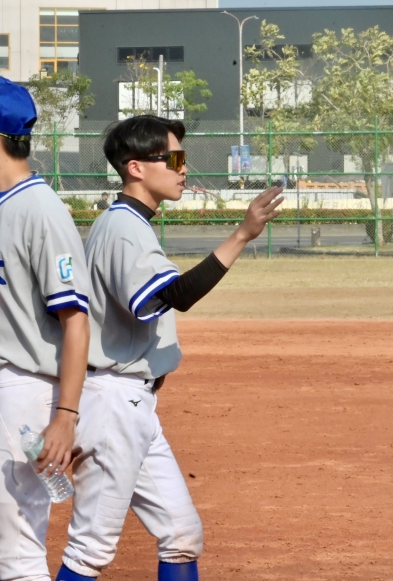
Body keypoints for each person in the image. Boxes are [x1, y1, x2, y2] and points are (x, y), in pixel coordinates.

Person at [55, 115, 283, 581]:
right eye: (173, 158)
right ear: (135, 167)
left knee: (181, 536)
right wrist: (242, 234)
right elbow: (174, 297)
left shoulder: (129, 223)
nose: (183, 169)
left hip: (133, 404)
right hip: (113, 402)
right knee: (89, 552)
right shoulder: (123, 227)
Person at [0, 73, 91, 581]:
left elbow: (75, 320)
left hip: (25, 396)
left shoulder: (41, 211)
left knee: (19, 554)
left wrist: (65, 416)